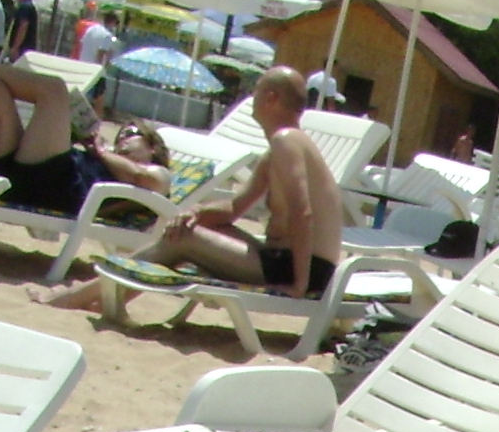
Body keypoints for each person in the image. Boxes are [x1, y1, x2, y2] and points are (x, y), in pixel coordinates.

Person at [42, 65, 340, 306]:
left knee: (182, 239)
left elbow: (302, 212)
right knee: (188, 227)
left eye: (256, 90)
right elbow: (234, 208)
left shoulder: (286, 141)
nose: (251, 97)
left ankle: (80, 296)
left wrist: (300, 284)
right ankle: (109, 299)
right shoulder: (279, 148)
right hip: (282, 260)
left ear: (271, 98)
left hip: (299, 268)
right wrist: (196, 212)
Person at [0, 9, 160, 221]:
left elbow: (143, 178)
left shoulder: (160, 173)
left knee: (54, 89)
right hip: (30, 176)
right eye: (121, 135)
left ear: (153, 148)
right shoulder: (108, 157)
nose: (122, 139)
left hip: (57, 190)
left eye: (130, 133)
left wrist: (99, 151)